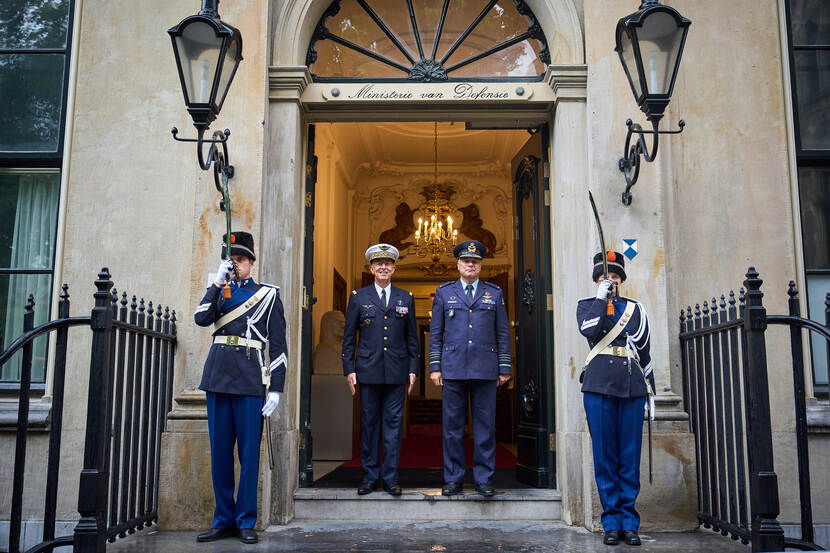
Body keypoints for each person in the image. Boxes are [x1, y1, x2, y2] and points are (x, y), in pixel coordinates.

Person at [194, 231, 287, 544]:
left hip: (249, 378)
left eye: (241, 259)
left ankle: (246, 519)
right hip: (218, 376)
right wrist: (217, 284)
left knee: (249, 456)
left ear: (251, 263)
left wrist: (276, 388)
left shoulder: (268, 295)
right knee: (220, 454)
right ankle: (223, 519)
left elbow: (279, 345)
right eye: (231, 259)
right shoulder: (219, 292)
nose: (236, 264)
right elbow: (200, 319)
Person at [577, 251, 654, 546]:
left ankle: (629, 521)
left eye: (613, 278)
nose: (609, 282)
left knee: (629, 457)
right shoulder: (587, 306)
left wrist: (651, 390)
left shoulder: (635, 309)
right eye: (603, 278)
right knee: (605, 457)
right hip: (598, 386)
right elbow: (589, 330)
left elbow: (645, 350)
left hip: (632, 385)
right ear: (596, 281)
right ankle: (610, 520)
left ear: (621, 281)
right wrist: (600, 299)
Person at [428, 240, 511, 497]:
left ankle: (484, 479)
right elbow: (436, 333)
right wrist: (435, 366)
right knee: (452, 428)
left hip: (486, 369)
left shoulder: (494, 293)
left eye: (474, 261)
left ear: (480, 265)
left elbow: (502, 332)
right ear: (458, 264)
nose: (470, 265)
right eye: (466, 261)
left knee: (485, 427)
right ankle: (453, 478)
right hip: (452, 369)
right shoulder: (444, 292)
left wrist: (504, 366)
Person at [341, 243, 419, 495]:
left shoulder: (405, 297)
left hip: (397, 372)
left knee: (393, 428)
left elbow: (411, 338)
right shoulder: (358, 297)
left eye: (388, 264)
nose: (383, 267)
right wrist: (348, 369)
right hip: (368, 371)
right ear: (371, 268)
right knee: (370, 425)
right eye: (378, 264)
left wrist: (413, 368)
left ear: (394, 269)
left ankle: (391, 479)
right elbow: (349, 337)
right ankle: (370, 477)